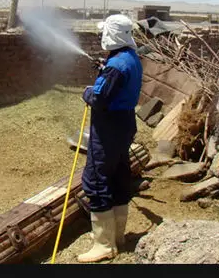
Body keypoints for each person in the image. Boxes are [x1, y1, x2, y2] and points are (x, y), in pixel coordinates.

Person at [78, 14, 143, 263]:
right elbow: (116, 82)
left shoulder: (117, 66)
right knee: (118, 175)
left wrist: (87, 92)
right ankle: (118, 237)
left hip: (109, 127)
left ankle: (103, 245)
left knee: (96, 179)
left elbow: (99, 97)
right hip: (125, 123)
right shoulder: (129, 58)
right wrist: (105, 71)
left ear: (111, 35)